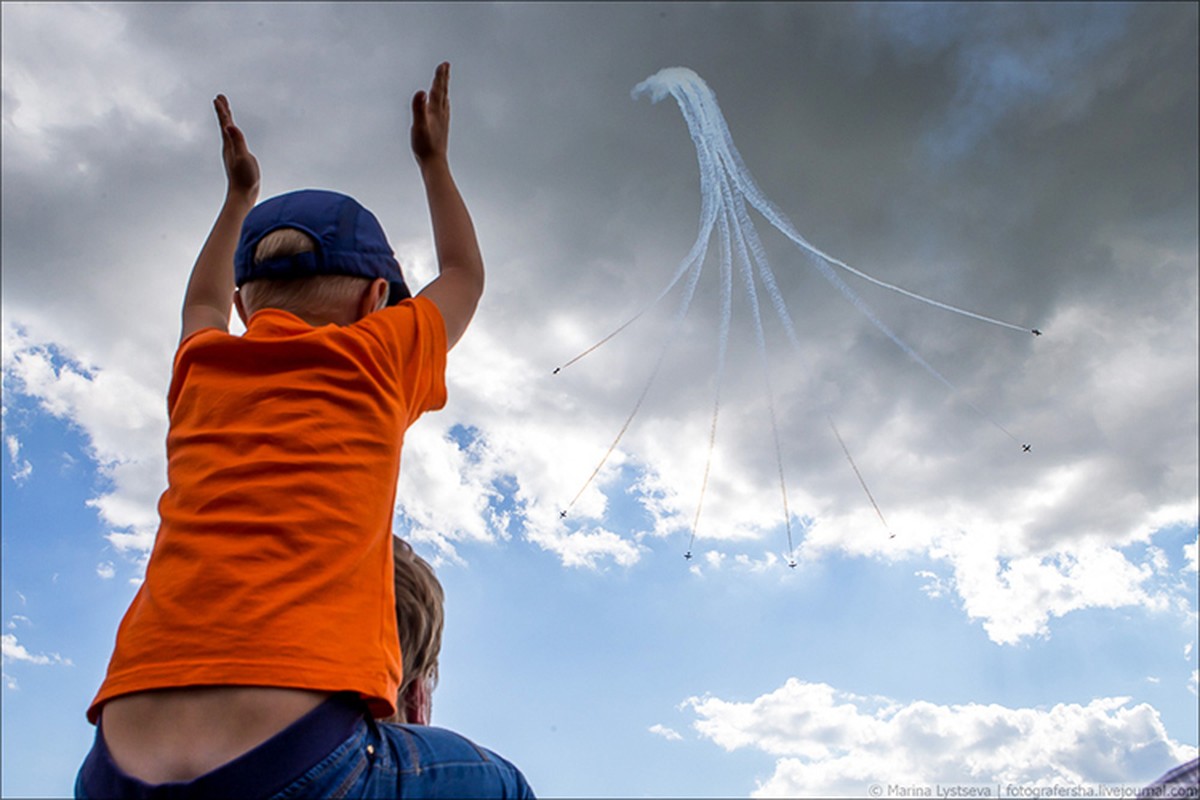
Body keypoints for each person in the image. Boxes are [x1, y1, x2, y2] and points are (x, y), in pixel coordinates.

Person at [76, 62, 531, 797]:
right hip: (288, 760)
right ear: (377, 299)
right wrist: (434, 162)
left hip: (115, 768)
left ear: (244, 308)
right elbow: (466, 273)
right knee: (498, 784)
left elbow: (199, 299)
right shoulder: (375, 358)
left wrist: (237, 198)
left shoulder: (207, 370)